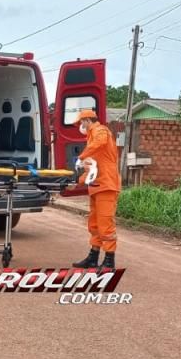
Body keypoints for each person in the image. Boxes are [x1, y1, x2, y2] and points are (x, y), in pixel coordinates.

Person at [70, 109, 121, 270]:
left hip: (106, 186)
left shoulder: (100, 131)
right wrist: (76, 182)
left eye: (80, 122)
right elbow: (91, 170)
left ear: (87, 120)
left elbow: (98, 144)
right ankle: (93, 256)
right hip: (96, 186)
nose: (80, 126)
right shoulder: (91, 139)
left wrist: (80, 157)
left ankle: (109, 261)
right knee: (94, 225)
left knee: (105, 224)